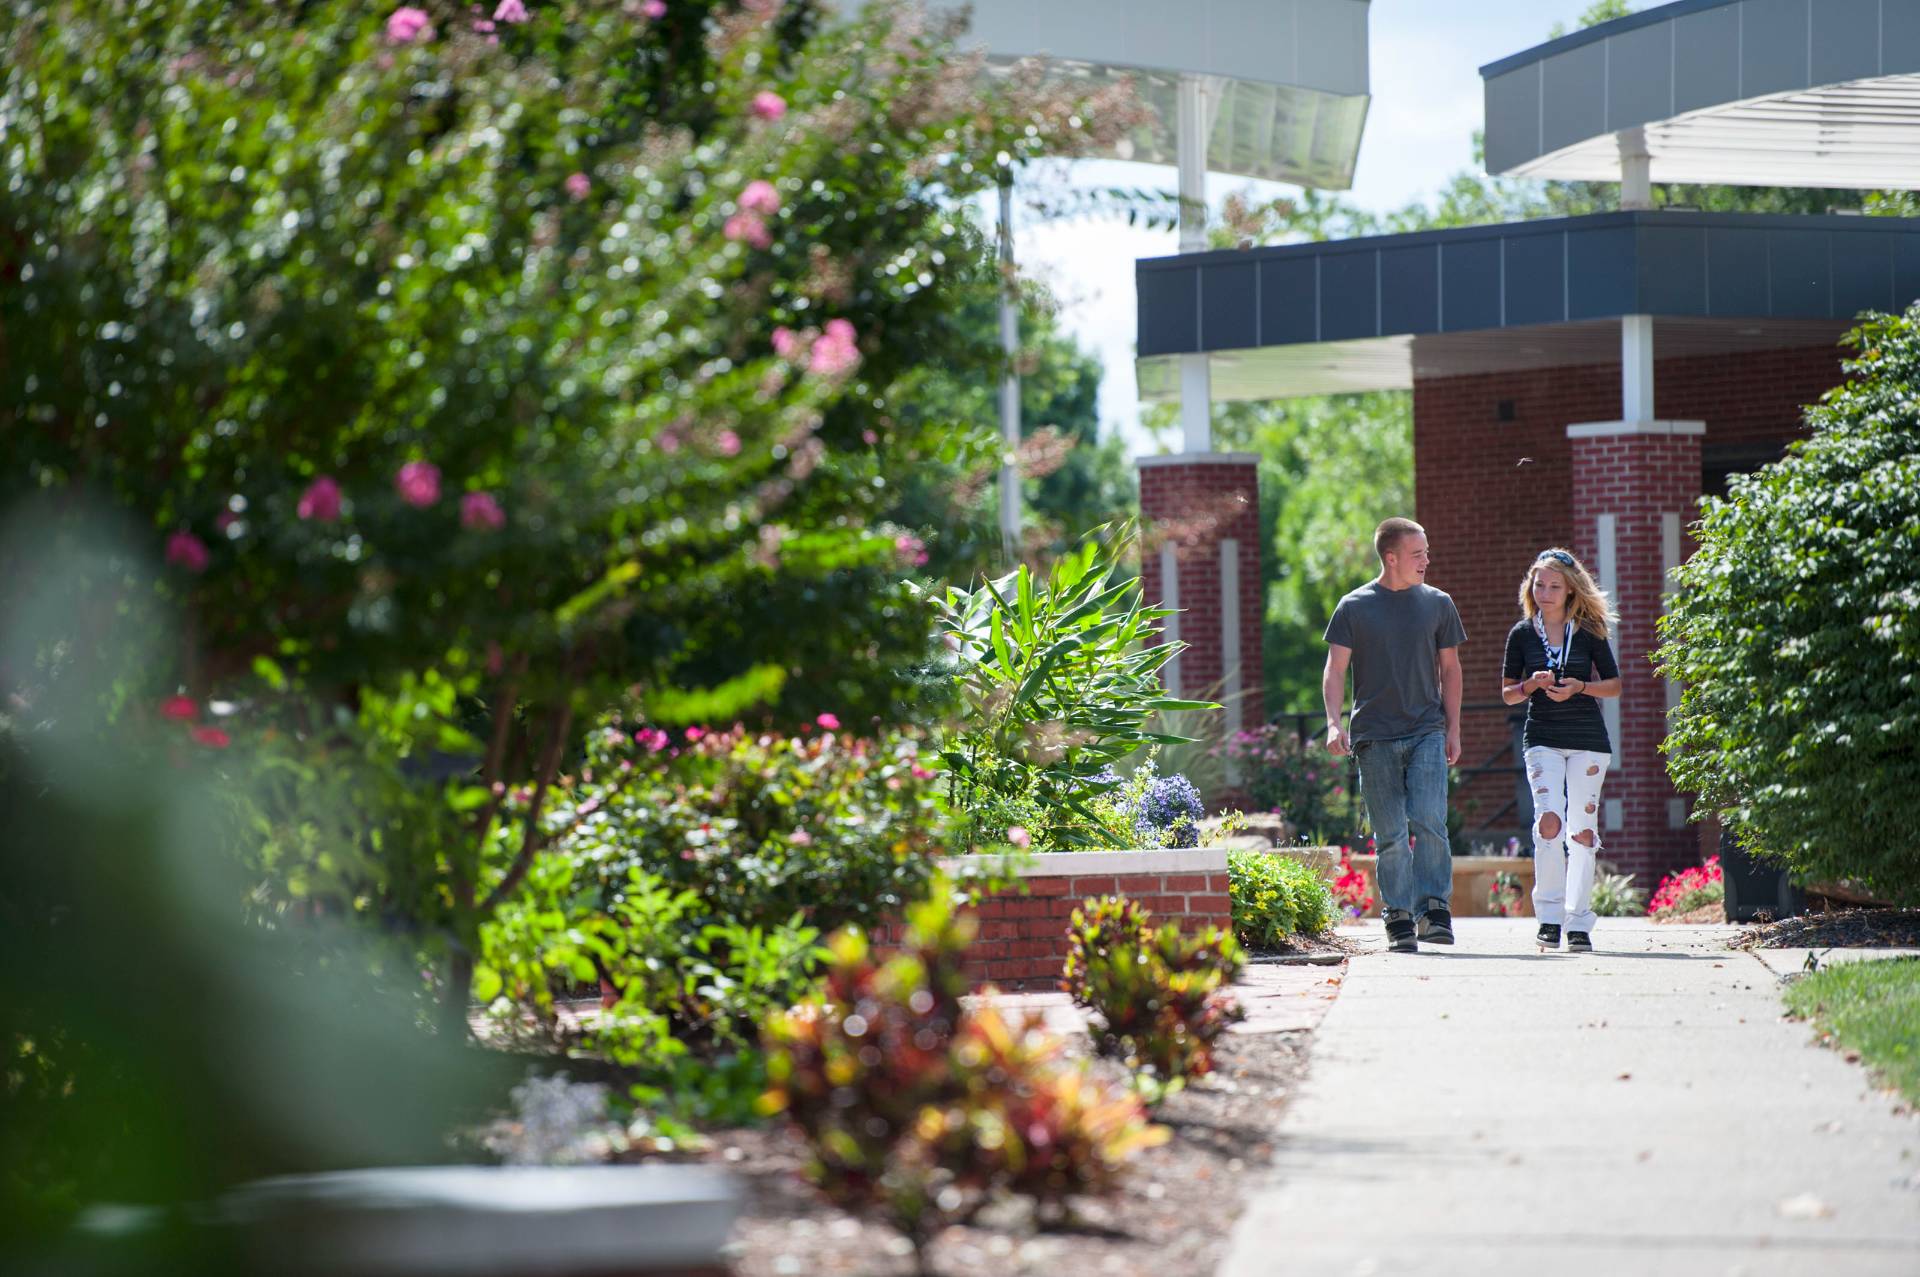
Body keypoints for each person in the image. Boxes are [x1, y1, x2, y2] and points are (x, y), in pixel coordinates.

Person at [1324, 517, 1465, 954]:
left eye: (1426, 552)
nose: (1427, 560)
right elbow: (1335, 669)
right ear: (1391, 557)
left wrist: (1454, 726)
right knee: (1389, 834)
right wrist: (1333, 720)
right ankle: (1399, 915)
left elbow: (1451, 669)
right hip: (1374, 734)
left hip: (1426, 727)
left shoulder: (1438, 603)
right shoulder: (1354, 607)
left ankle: (1434, 909)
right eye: (1417, 553)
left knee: (1429, 819)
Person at [1500, 548, 1622, 954]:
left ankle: (1578, 923)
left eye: (1555, 586)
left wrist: (1580, 687)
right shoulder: (1521, 634)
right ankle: (1549, 919)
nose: (1546, 591)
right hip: (1542, 740)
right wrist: (1531, 686)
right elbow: (1508, 694)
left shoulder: (1589, 631)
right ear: (1530, 587)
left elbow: (1614, 685)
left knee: (1582, 832)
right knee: (1549, 823)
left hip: (1588, 741)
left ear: (1571, 591)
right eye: (1540, 584)